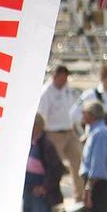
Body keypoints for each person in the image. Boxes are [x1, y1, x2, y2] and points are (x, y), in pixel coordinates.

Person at [37, 65, 84, 204]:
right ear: (55, 77)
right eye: (61, 78)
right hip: (53, 133)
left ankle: (79, 196)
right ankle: (54, 200)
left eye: (65, 78)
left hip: (69, 131)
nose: (64, 81)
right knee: (54, 167)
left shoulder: (67, 89)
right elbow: (41, 117)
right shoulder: (46, 93)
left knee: (78, 160)